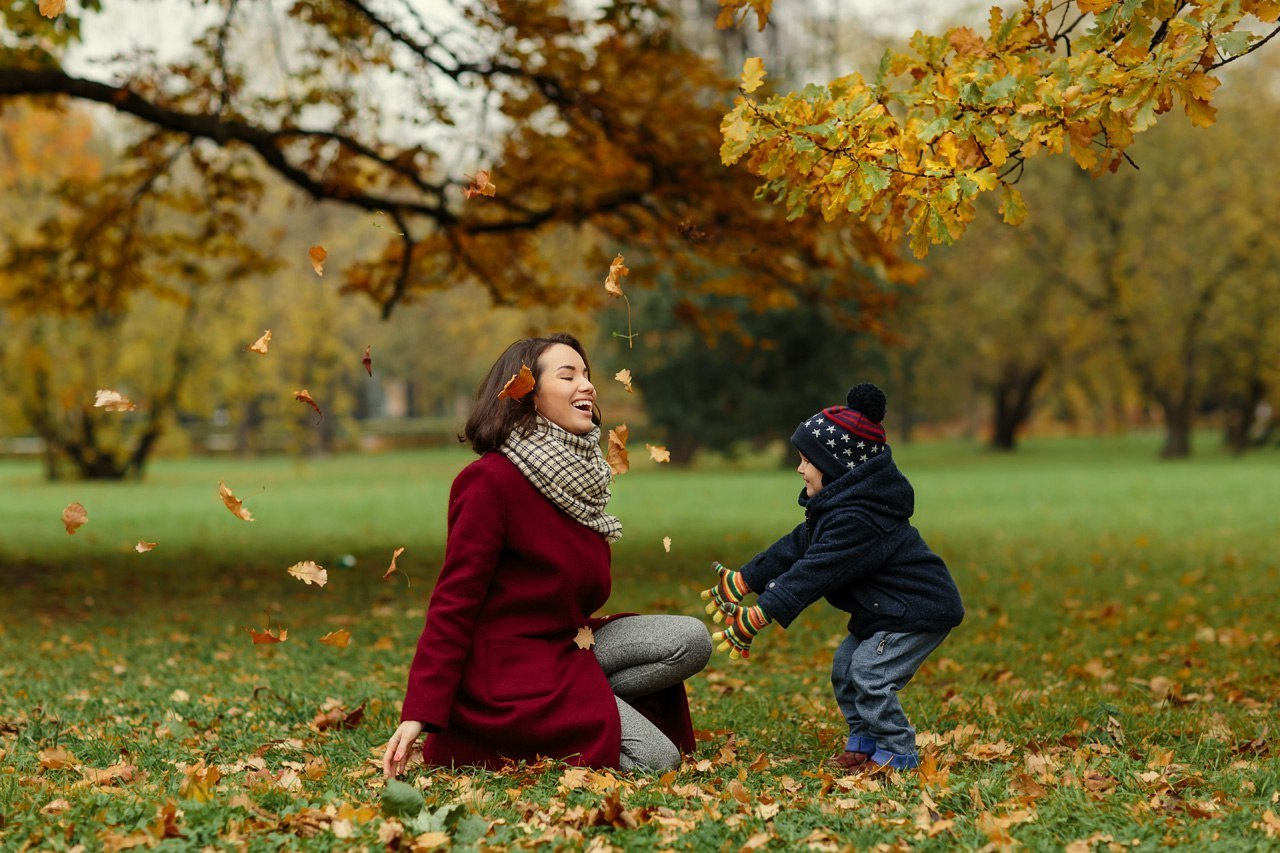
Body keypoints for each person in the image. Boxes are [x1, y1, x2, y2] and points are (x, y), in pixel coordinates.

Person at [383, 332, 711, 776]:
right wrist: (420, 710)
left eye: (587, 374)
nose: (588, 385)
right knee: (657, 759)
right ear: (528, 395)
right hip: (510, 675)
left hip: (568, 647)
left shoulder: (578, 480)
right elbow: (453, 603)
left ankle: (588, 704)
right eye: (568, 375)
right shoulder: (490, 482)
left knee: (690, 639)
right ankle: (528, 730)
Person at [701, 383, 963, 772]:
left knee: (869, 674)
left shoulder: (859, 521)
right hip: (883, 610)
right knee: (845, 667)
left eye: (808, 460)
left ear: (839, 468)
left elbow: (813, 572)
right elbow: (795, 547)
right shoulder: (838, 508)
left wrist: (761, 614)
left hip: (916, 611)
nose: (800, 468)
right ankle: (863, 741)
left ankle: (898, 752)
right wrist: (744, 581)